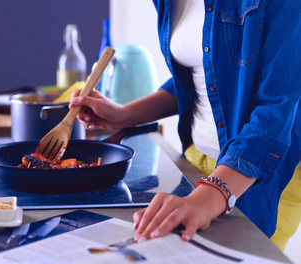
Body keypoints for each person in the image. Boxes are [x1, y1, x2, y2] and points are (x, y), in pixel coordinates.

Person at [69, 0, 301, 251]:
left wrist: (212, 193)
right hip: (196, 161)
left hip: (256, 177)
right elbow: (200, 74)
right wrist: (124, 114)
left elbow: (277, 106)